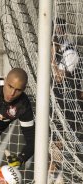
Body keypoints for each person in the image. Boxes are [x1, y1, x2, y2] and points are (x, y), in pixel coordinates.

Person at [49, 17, 83, 183]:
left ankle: (60, 176)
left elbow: (59, 77)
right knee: (54, 141)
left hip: (72, 106)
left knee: (63, 141)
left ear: (62, 31)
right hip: (56, 101)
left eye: (57, 30)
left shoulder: (70, 52)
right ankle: (51, 176)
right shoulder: (55, 49)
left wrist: (51, 57)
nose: (55, 34)